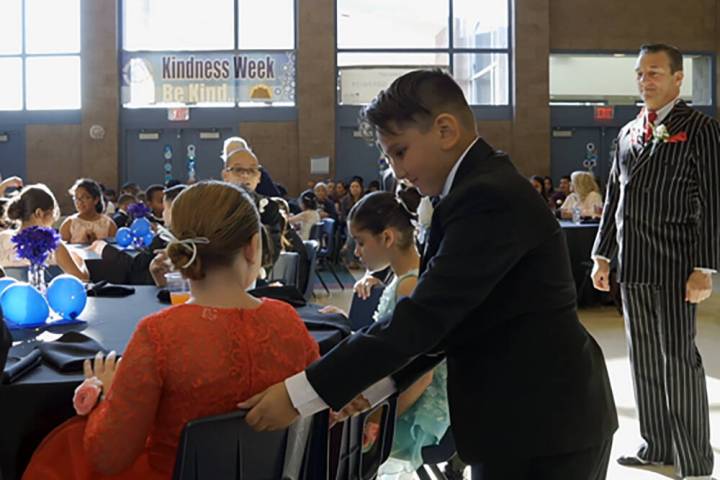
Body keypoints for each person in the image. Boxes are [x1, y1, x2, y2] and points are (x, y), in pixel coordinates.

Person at [239, 69, 617, 480]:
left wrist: (301, 395)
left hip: (547, 424)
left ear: (445, 130)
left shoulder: (489, 196)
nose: (397, 171)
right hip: (519, 419)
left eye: (399, 152)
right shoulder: (471, 190)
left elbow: (425, 317)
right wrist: (368, 388)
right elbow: (447, 323)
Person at [22, 181, 320, 480]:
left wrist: (109, 396)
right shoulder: (288, 321)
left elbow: (108, 457)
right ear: (253, 246)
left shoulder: (159, 334)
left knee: (67, 447)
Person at [591, 44, 718, 480]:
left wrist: (706, 266)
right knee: (641, 358)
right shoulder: (626, 133)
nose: (646, 81)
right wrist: (602, 254)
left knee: (678, 359)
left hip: (676, 266)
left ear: (678, 79)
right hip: (632, 266)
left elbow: (713, 200)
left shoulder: (700, 128)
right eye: (641, 74)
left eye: (656, 73)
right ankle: (655, 444)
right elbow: (614, 198)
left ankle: (695, 457)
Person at [322, 189, 464, 479]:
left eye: (360, 242)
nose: (356, 251)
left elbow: (420, 375)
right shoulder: (407, 276)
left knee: (332, 437)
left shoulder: (409, 286)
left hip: (415, 412)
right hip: (405, 395)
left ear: (387, 238)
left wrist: (376, 419)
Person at [0, 184, 88, 281]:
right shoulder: (55, 246)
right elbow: (83, 280)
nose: (53, 220)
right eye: (52, 214)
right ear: (39, 213)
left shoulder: (3, 239)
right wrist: (80, 261)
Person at [221, 136, 283, 270]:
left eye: (251, 171)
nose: (245, 175)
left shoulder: (269, 208)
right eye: (238, 170)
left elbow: (271, 254)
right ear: (225, 175)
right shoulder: (214, 205)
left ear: (259, 177)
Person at [60, 179, 117, 244]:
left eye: (84, 197)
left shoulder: (108, 224)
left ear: (96, 200)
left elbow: (113, 250)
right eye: (76, 198)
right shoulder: (69, 224)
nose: (80, 202)